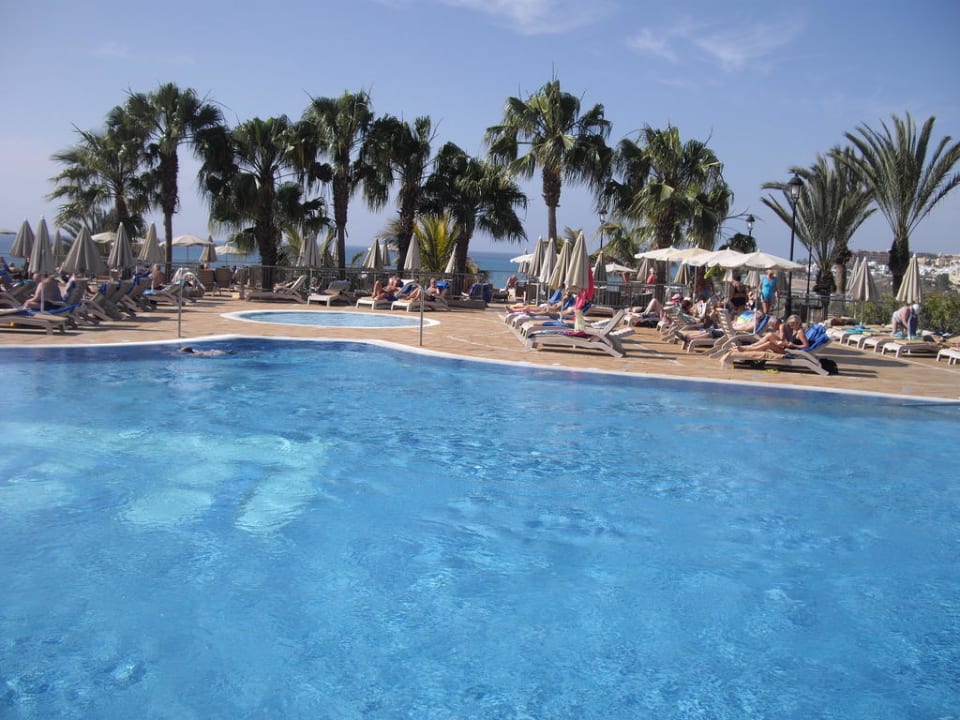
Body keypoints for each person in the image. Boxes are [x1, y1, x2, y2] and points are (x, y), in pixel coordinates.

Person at [735, 314, 808, 354]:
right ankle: (748, 348)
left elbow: (806, 345)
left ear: (798, 323)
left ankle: (748, 348)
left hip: (789, 352)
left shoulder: (800, 332)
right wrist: (785, 343)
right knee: (769, 340)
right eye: (790, 324)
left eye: (792, 324)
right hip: (787, 348)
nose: (791, 326)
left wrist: (793, 345)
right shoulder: (795, 330)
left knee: (769, 338)